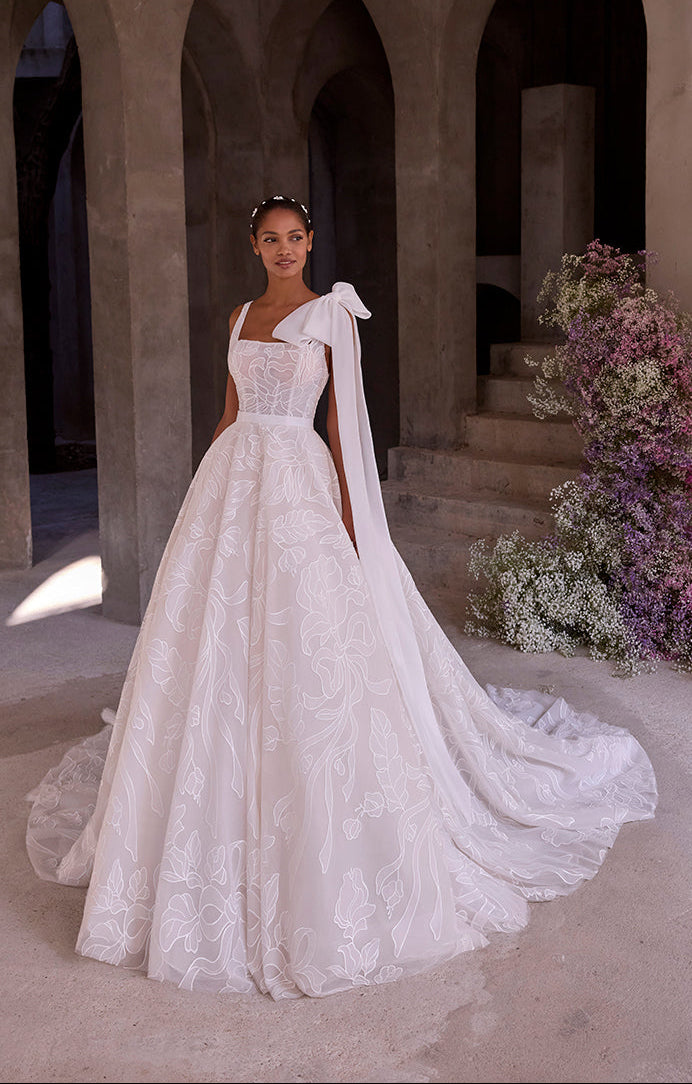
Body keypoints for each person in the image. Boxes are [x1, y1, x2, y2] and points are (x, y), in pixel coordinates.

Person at [26, 195, 657, 1000]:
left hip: (300, 487)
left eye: (295, 238)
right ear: (254, 246)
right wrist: (200, 502)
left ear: (311, 242)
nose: (284, 250)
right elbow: (228, 415)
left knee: (311, 655)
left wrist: (361, 532)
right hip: (233, 486)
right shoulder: (240, 314)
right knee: (217, 648)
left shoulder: (333, 316)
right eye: (271, 240)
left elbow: (342, 428)